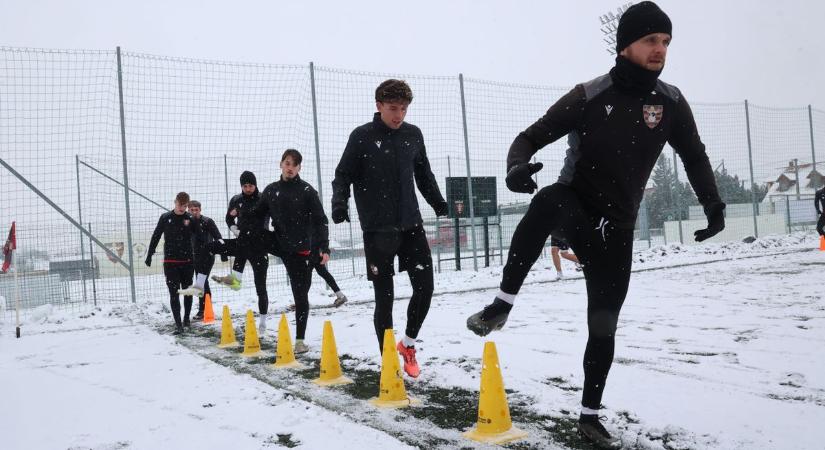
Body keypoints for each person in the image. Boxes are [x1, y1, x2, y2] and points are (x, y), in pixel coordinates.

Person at [465, 3, 725, 447]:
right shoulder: (589, 95)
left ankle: (589, 416)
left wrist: (713, 206)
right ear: (626, 45)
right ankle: (502, 304)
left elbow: (695, 156)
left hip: (617, 231)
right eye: (650, 40)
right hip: (576, 211)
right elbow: (530, 137)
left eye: (665, 42)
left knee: (604, 324)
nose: (660, 49)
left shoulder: (671, 102)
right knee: (548, 198)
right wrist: (515, 168)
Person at [331, 79, 449, 378]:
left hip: (412, 226)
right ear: (379, 106)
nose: (399, 115)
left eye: (404, 109)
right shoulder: (361, 137)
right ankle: (387, 358)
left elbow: (424, 174)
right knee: (385, 297)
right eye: (393, 108)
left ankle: (407, 344)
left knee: (426, 288)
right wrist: (339, 204)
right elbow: (343, 175)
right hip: (378, 231)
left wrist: (438, 203)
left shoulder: (413, 135)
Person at [254, 149, 329, 354]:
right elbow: (258, 215)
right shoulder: (271, 190)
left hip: (301, 250)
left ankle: (300, 340)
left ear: (299, 168)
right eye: (287, 163)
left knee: (300, 293)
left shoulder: (306, 191)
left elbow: (321, 220)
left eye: (294, 164)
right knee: (248, 237)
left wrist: (324, 247)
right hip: (280, 244)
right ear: (281, 164)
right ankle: (235, 272)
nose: (290, 167)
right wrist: (241, 219)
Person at [210, 171, 271, 316]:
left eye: (251, 185)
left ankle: (263, 319)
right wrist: (235, 230)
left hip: (259, 245)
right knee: (212, 246)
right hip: (242, 241)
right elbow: (229, 218)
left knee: (261, 287)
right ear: (241, 186)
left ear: (255, 185)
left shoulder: (264, 199)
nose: (248, 188)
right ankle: (233, 280)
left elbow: (275, 215)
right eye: (245, 186)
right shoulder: (236, 200)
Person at [146, 192, 196, 335]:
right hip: (171, 262)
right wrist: (150, 253)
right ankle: (178, 324)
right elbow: (156, 235)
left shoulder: (190, 218)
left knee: (187, 291)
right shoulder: (165, 217)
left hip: (187, 262)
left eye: (185, 206)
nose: (182, 208)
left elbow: (199, 236)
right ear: (175, 202)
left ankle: (186, 319)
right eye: (180, 205)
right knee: (174, 293)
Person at [177, 200, 227, 320]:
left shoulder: (207, 221)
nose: (194, 212)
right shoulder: (186, 222)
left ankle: (203, 310)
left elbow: (218, 237)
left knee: (201, 282)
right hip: (192, 257)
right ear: (188, 210)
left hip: (206, 256)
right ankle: (205, 308)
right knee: (202, 282)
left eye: (196, 210)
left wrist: (222, 251)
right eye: (191, 210)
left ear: (200, 210)